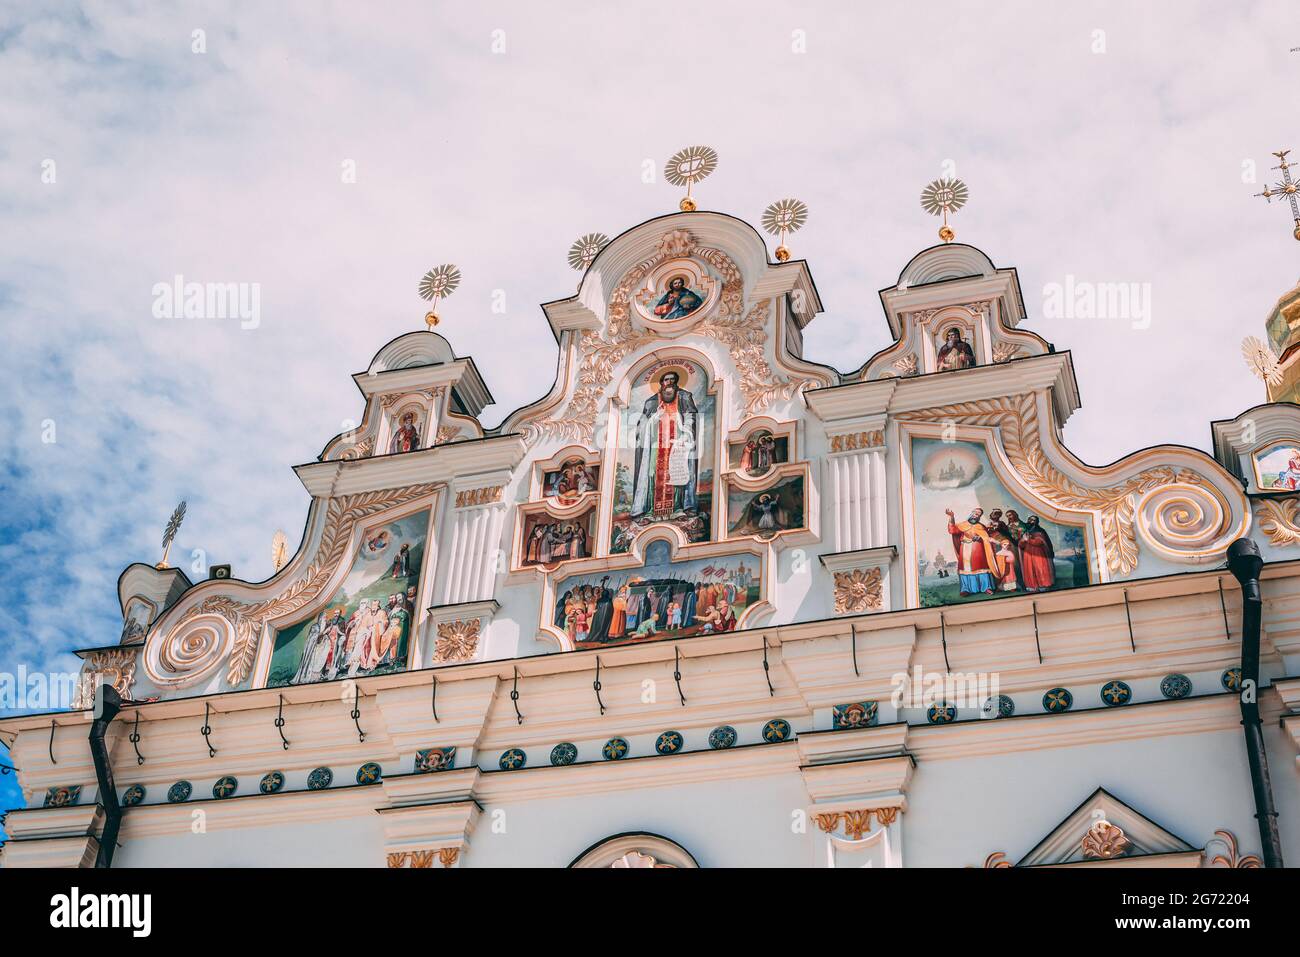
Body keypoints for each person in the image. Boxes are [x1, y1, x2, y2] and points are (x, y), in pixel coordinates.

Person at [631, 371, 700, 518]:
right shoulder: (651, 402)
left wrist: (686, 431)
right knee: (653, 475)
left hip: (677, 444)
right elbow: (642, 425)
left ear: (676, 383)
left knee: (676, 473)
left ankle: (677, 508)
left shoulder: (684, 397)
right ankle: (651, 510)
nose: (669, 382)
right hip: (656, 446)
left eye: (672, 380)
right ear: (661, 382)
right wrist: (655, 417)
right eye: (666, 379)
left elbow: (690, 416)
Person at [945, 507, 1002, 596]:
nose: (976, 516)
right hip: (965, 550)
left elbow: (986, 537)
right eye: (975, 513)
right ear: (971, 513)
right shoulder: (962, 525)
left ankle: (986, 587)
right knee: (965, 569)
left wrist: (981, 538)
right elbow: (952, 530)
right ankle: (965, 589)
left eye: (978, 514)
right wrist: (951, 516)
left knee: (982, 568)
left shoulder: (981, 526)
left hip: (978, 551)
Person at [1018, 516, 1057, 592]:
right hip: (1028, 555)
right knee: (1029, 570)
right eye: (1029, 519)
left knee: (1040, 569)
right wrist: (1023, 540)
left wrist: (1028, 539)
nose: (1031, 521)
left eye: (1033, 520)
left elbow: (1039, 542)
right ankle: (1032, 585)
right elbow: (1020, 545)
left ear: (1037, 522)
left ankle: (1043, 585)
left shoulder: (1040, 531)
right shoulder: (1026, 531)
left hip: (1038, 554)